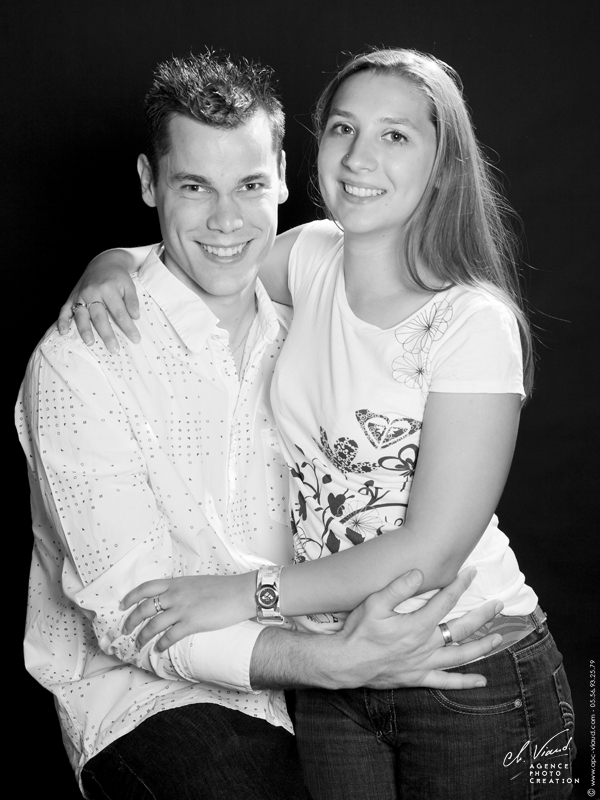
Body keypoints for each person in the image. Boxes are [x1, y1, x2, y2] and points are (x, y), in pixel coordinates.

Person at [61, 49, 576, 799]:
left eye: (396, 135)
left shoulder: (470, 324)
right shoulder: (311, 257)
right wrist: (106, 263)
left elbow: (427, 554)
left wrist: (242, 595)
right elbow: (198, 255)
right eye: (344, 128)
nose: (361, 157)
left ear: (442, 164)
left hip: (464, 661)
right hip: (333, 670)